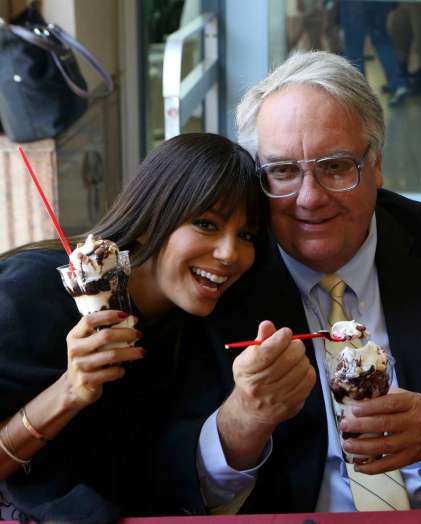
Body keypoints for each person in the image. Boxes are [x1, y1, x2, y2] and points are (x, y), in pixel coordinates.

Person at [150, 50, 421, 515]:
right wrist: (240, 425)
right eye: (283, 171)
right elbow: (158, 475)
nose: (309, 198)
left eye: (335, 166)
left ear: (377, 164)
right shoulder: (221, 278)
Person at [0, 133, 266, 523]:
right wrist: (68, 392)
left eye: (246, 235)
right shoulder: (31, 293)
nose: (230, 254)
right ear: (150, 217)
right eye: (206, 224)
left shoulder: (196, 329)